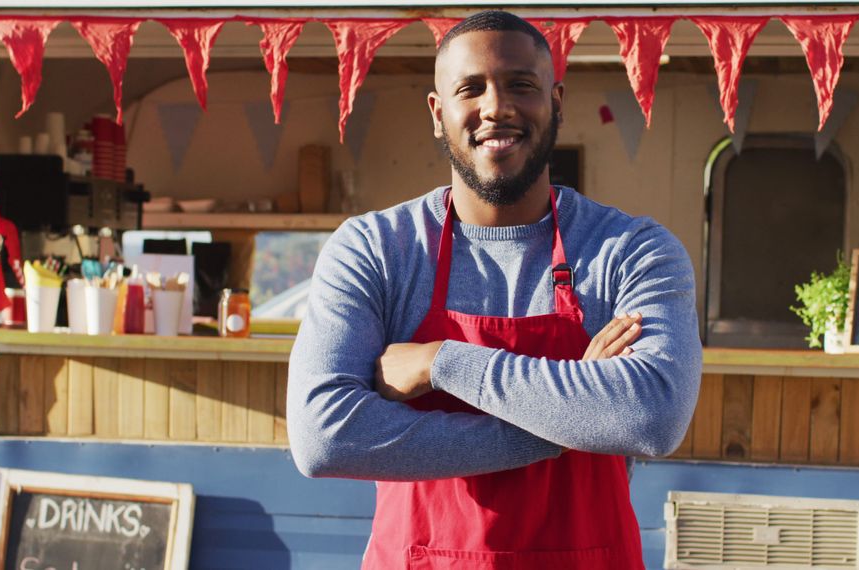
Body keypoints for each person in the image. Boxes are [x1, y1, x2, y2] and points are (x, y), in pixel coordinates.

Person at [288, 10, 702, 569]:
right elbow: (324, 436)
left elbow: (651, 417)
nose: (496, 107)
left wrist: (441, 363)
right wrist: (574, 421)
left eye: (520, 86)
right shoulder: (375, 249)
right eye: (470, 88)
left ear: (556, 102)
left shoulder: (632, 250)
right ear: (438, 114)